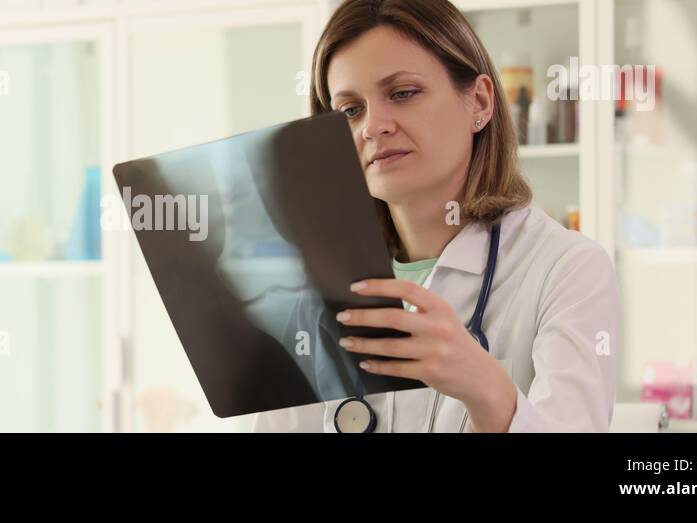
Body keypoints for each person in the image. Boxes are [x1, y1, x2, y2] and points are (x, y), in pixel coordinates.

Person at [254, 0, 619, 432]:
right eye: (351, 110)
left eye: (403, 93)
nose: (373, 126)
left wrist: (483, 384)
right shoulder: (318, 288)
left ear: (479, 102)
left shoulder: (567, 269)